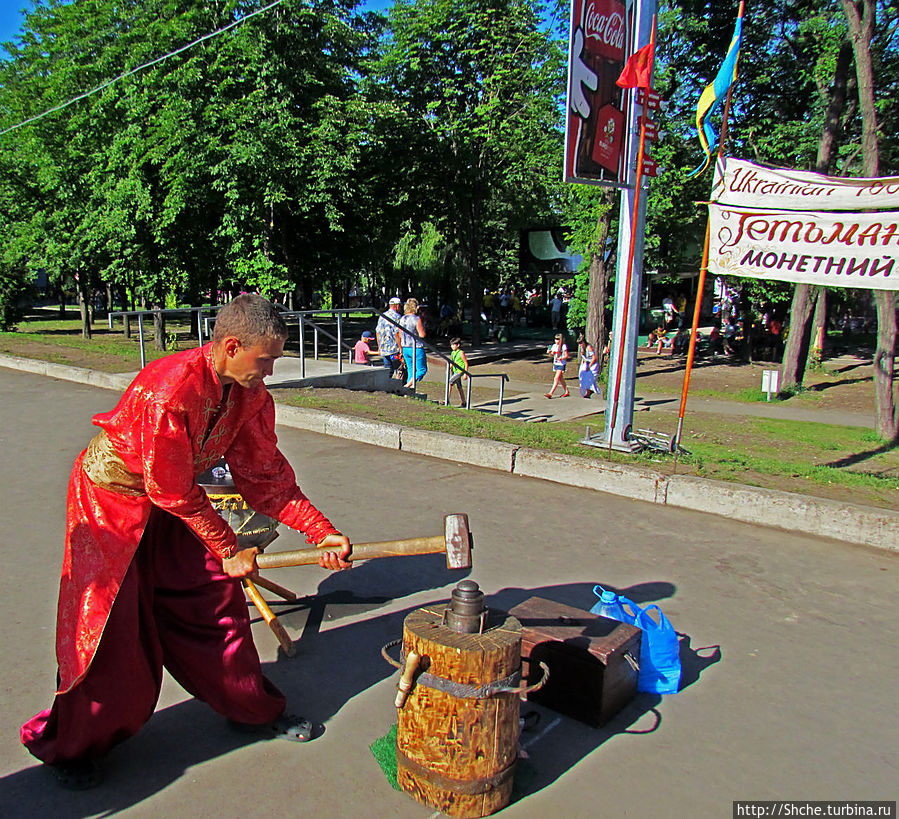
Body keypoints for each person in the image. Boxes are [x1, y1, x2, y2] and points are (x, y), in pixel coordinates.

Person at [21, 294, 352, 790]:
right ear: (233, 345)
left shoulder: (251, 396)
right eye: (266, 359)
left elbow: (266, 478)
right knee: (109, 626)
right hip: (111, 501)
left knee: (214, 601)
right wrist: (228, 547)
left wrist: (320, 529)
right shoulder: (169, 390)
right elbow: (170, 489)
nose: (270, 371)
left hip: (177, 499)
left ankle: (251, 707)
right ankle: (75, 746)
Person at [397, 298, 427, 388]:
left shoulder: (402, 319)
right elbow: (422, 334)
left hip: (405, 347)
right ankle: (408, 385)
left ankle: (410, 390)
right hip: (416, 347)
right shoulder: (416, 319)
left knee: (411, 370)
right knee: (422, 370)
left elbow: (400, 334)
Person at [375, 297, 404, 378]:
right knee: (398, 369)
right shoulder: (397, 317)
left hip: (384, 348)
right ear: (397, 306)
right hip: (394, 349)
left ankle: (387, 385)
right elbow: (397, 333)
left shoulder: (382, 316)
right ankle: (398, 386)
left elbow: (378, 332)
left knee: (388, 369)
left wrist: (379, 346)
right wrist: (401, 347)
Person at [545, 333, 569, 398]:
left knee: (556, 378)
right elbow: (552, 355)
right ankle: (566, 391)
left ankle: (551, 393)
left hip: (561, 364)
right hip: (556, 363)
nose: (556, 340)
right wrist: (550, 353)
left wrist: (562, 358)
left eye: (558, 339)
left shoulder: (563, 346)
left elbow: (566, 355)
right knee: (560, 378)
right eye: (555, 339)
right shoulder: (554, 346)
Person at [577, 333, 601, 398]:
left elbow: (594, 358)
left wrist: (589, 366)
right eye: (579, 344)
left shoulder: (589, 348)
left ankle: (589, 392)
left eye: (581, 343)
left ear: (584, 342)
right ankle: (588, 392)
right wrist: (582, 364)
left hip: (593, 365)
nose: (580, 345)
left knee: (590, 378)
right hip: (586, 363)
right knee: (583, 378)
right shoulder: (582, 348)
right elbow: (583, 357)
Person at [448, 337, 469, 407]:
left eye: (454, 345)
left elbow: (466, 363)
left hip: (460, 371)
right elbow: (453, 361)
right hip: (455, 370)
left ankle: (447, 399)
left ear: (458, 345)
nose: (452, 346)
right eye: (451, 345)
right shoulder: (453, 353)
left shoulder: (461, 353)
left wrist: (465, 374)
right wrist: (449, 367)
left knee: (450, 382)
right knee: (459, 386)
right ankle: (464, 402)